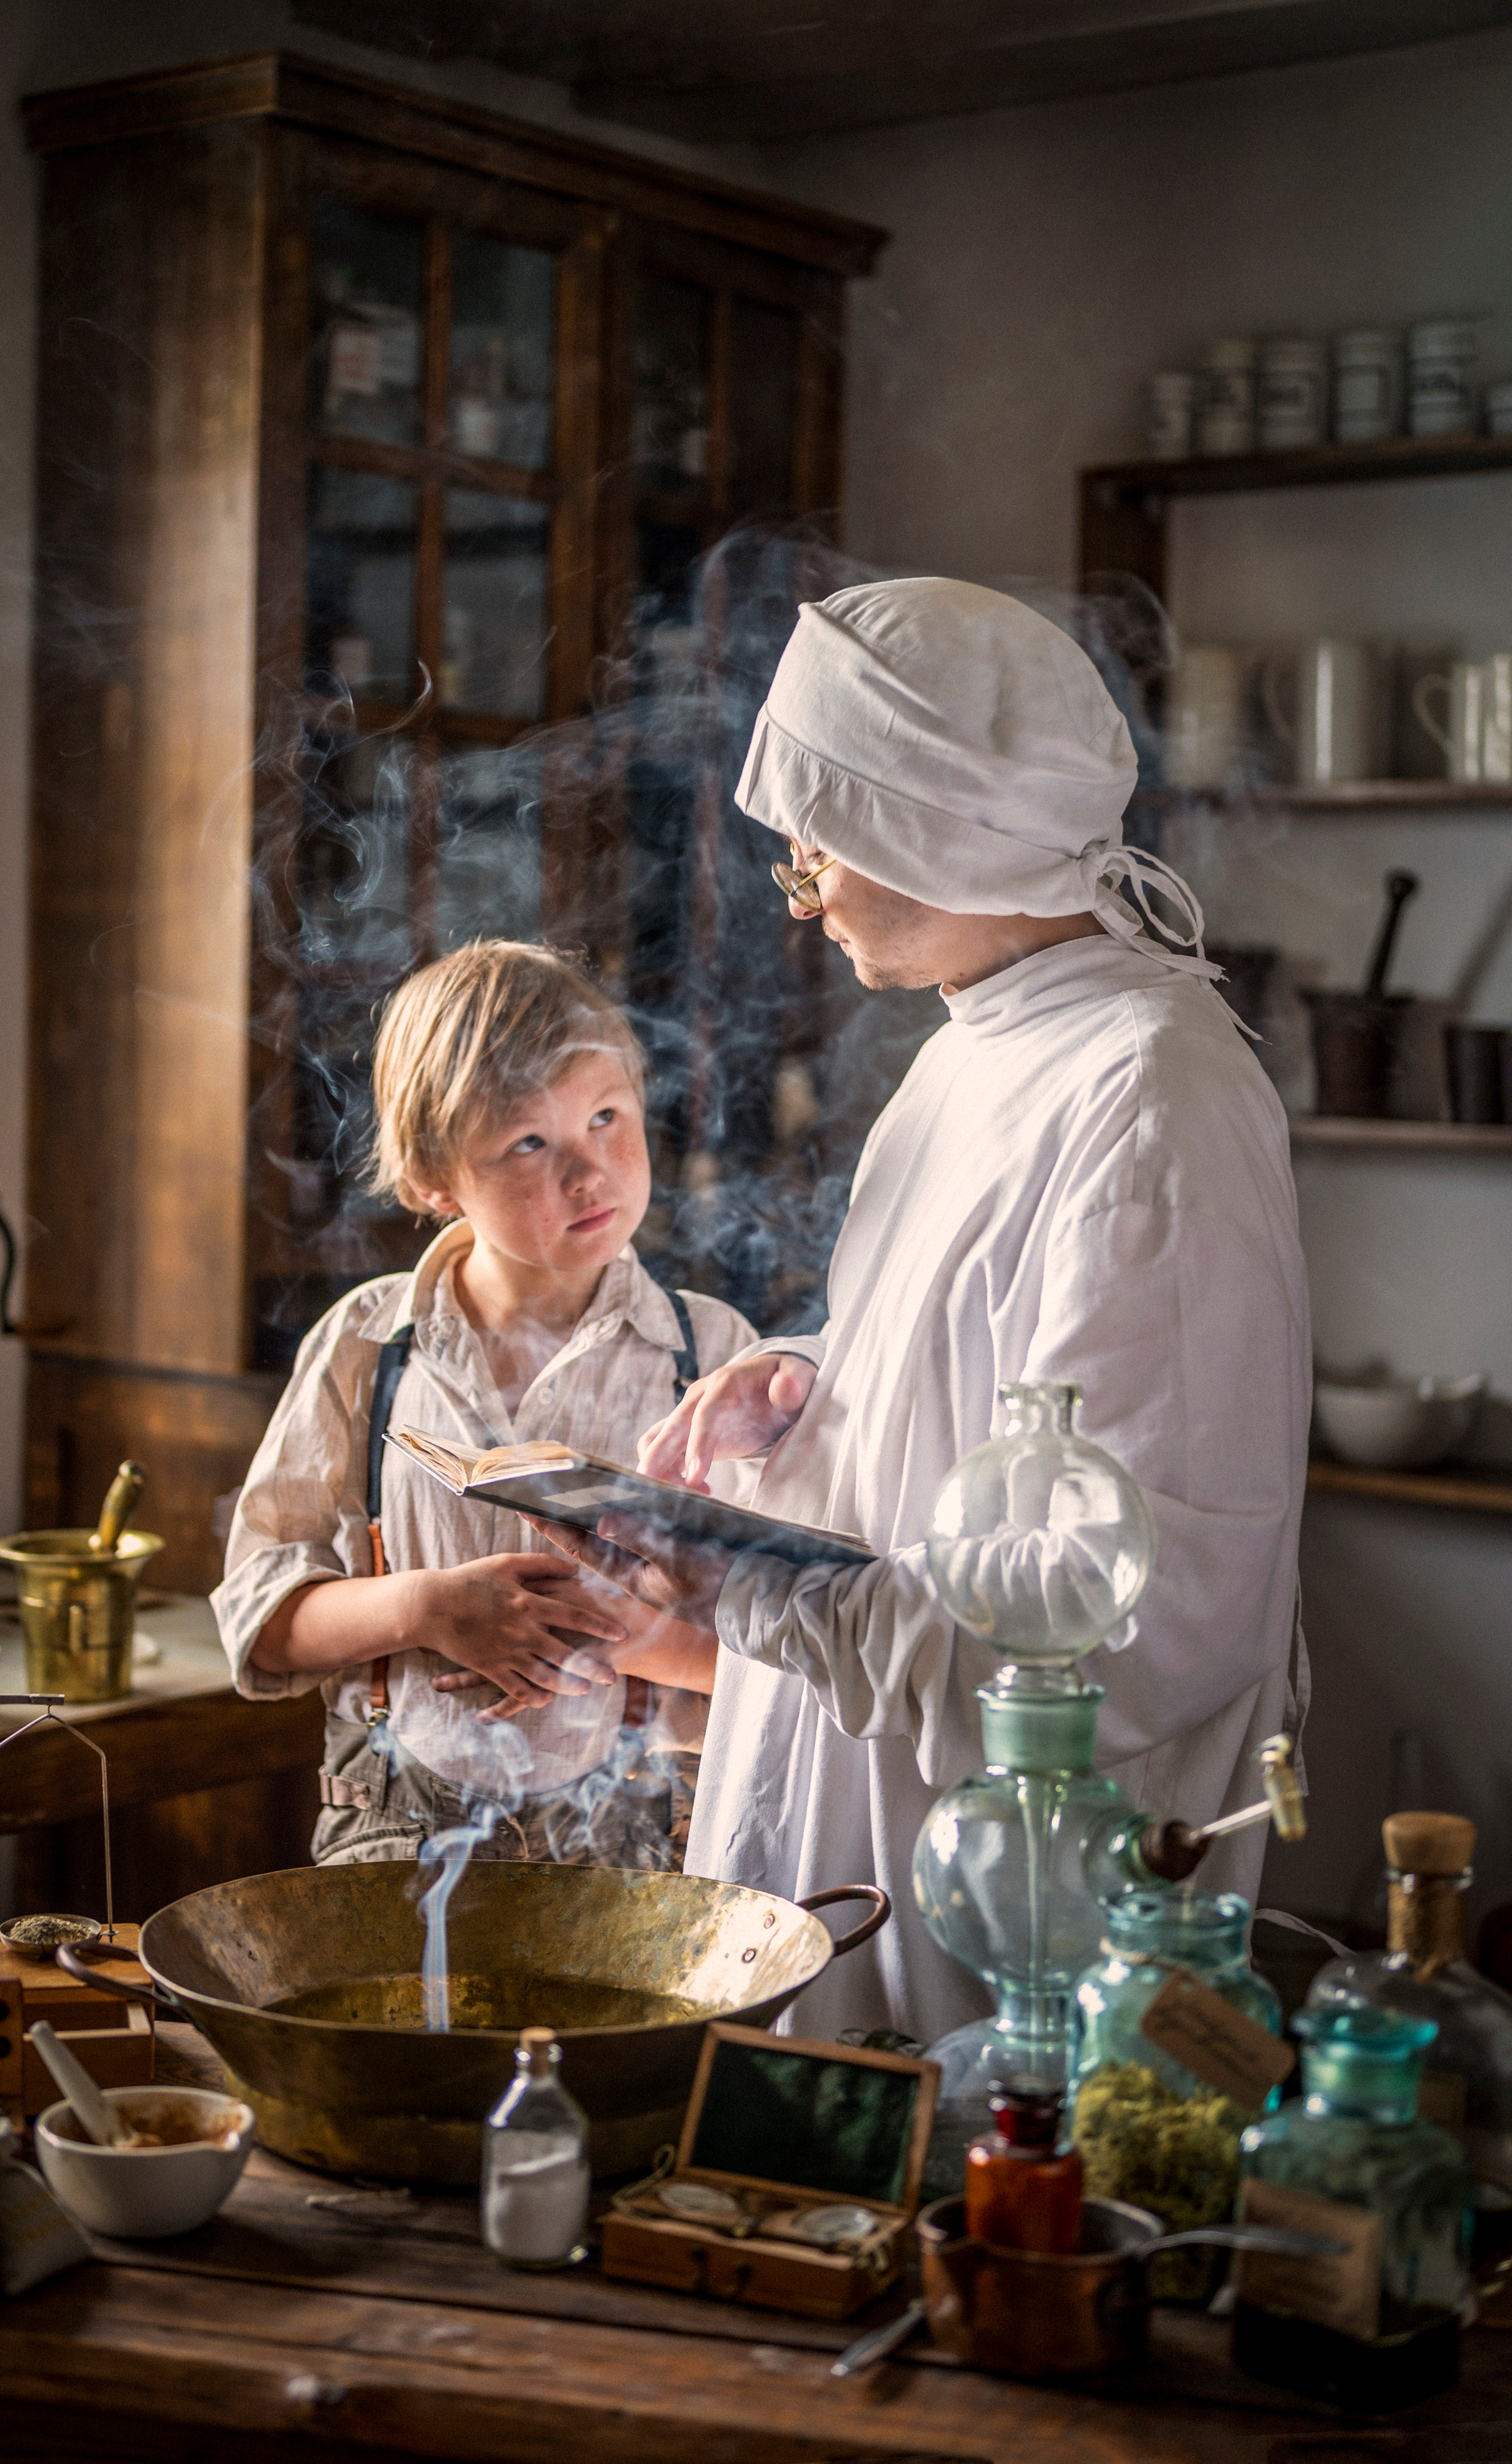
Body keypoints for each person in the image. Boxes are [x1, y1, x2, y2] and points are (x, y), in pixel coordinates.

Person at [588, 578, 1311, 2044]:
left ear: (931, 830)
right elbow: (975, 1370)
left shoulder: (1148, 1094)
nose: (806, 894)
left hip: (999, 1903)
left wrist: (759, 1587)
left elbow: (1136, 1620)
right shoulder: (978, 1045)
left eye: (815, 850)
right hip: (853, 1802)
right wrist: (799, 1383)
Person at [213, 940, 756, 1868]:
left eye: (607, 1118)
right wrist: (423, 1608)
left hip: (639, 1844)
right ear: (434, 1177)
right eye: (530, 1144)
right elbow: (261, 1623)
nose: (589, 1174)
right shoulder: (367, 1347)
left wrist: (629, 1638)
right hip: (392, 1834)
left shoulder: (712, 1357)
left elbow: (783, 1658)